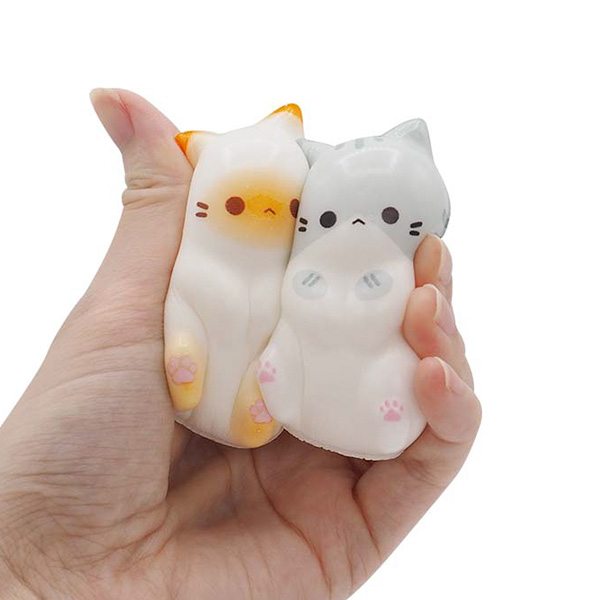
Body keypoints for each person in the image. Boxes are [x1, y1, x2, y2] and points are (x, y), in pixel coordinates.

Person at [0, 89, 481, 599]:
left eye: (288, 209)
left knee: (362, 359)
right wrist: (31, 570)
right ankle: (247, 379)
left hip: (342, 384)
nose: (359, 227)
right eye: (236, 205)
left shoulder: (362, 269)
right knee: (268, 345)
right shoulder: (265, 263)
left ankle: (340, 404)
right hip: (270, 366)